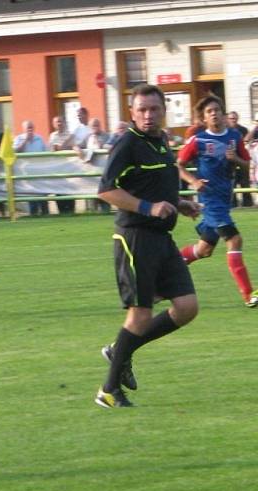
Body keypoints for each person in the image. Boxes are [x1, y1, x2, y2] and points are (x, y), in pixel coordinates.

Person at [95, 84, 202, 409]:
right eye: (142, 109)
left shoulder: (161, 141)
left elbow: (156, 184)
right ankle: (109, 391)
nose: (148, 115)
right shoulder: (127, 144)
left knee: (187, 307)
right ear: (132, 112)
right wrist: (147, 207)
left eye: (154, 109)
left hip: (162, 238)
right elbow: (106, 190)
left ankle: (121, 349)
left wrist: (178, 203)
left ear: (163, 111)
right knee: (140, 315)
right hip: (135, 237)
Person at [177, 96, 258, 308]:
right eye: (209, 111)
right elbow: (179, 165)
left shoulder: (234, 136)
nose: (214, 113)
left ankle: (170, 264)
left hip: (225, 199)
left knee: (204, 249)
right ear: (204, 118)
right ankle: (249, 295)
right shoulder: (198, 140)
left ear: (223, 113)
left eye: (217, 110)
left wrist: (236, 160)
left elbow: (246, 164)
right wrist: (193, 181)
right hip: (211, 200)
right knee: (235, 240)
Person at [14, 120, 49, 215]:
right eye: (27, 128)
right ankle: (33, 214)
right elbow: (15, 151)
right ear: (23, 129)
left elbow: (46, 153)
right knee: (31, 194)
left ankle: (46, 213)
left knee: (43, 193)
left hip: (40, 171)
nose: (30, 130)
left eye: (31, 127)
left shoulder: (39, 138)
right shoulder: (19, 138)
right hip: (27, 172)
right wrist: (25, 140)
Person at [226, 111, 253, 207]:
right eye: (231, 118)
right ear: (227, 119)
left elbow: (248, 141)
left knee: (245, 183)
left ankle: (248, 204)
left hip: (241, 160)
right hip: (230, 161)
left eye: (235, 118)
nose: (233, 120)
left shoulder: (243, 129)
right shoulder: (225, 131)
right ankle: (232, 205)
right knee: (231, 184)